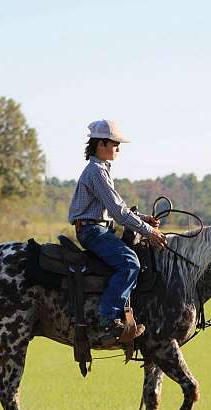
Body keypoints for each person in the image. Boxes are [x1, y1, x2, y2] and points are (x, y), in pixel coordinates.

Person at [68, 119, 165, 337]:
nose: (118, 149)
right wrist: (149, 231)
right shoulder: (97, 172)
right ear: (100, 144)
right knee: (130, 263)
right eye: (114, 144)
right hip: (93, 231)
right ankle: (108, 319)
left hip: (97, 228)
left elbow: (116, 208)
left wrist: (142, 219)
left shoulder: (100, 170)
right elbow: (119, 213)